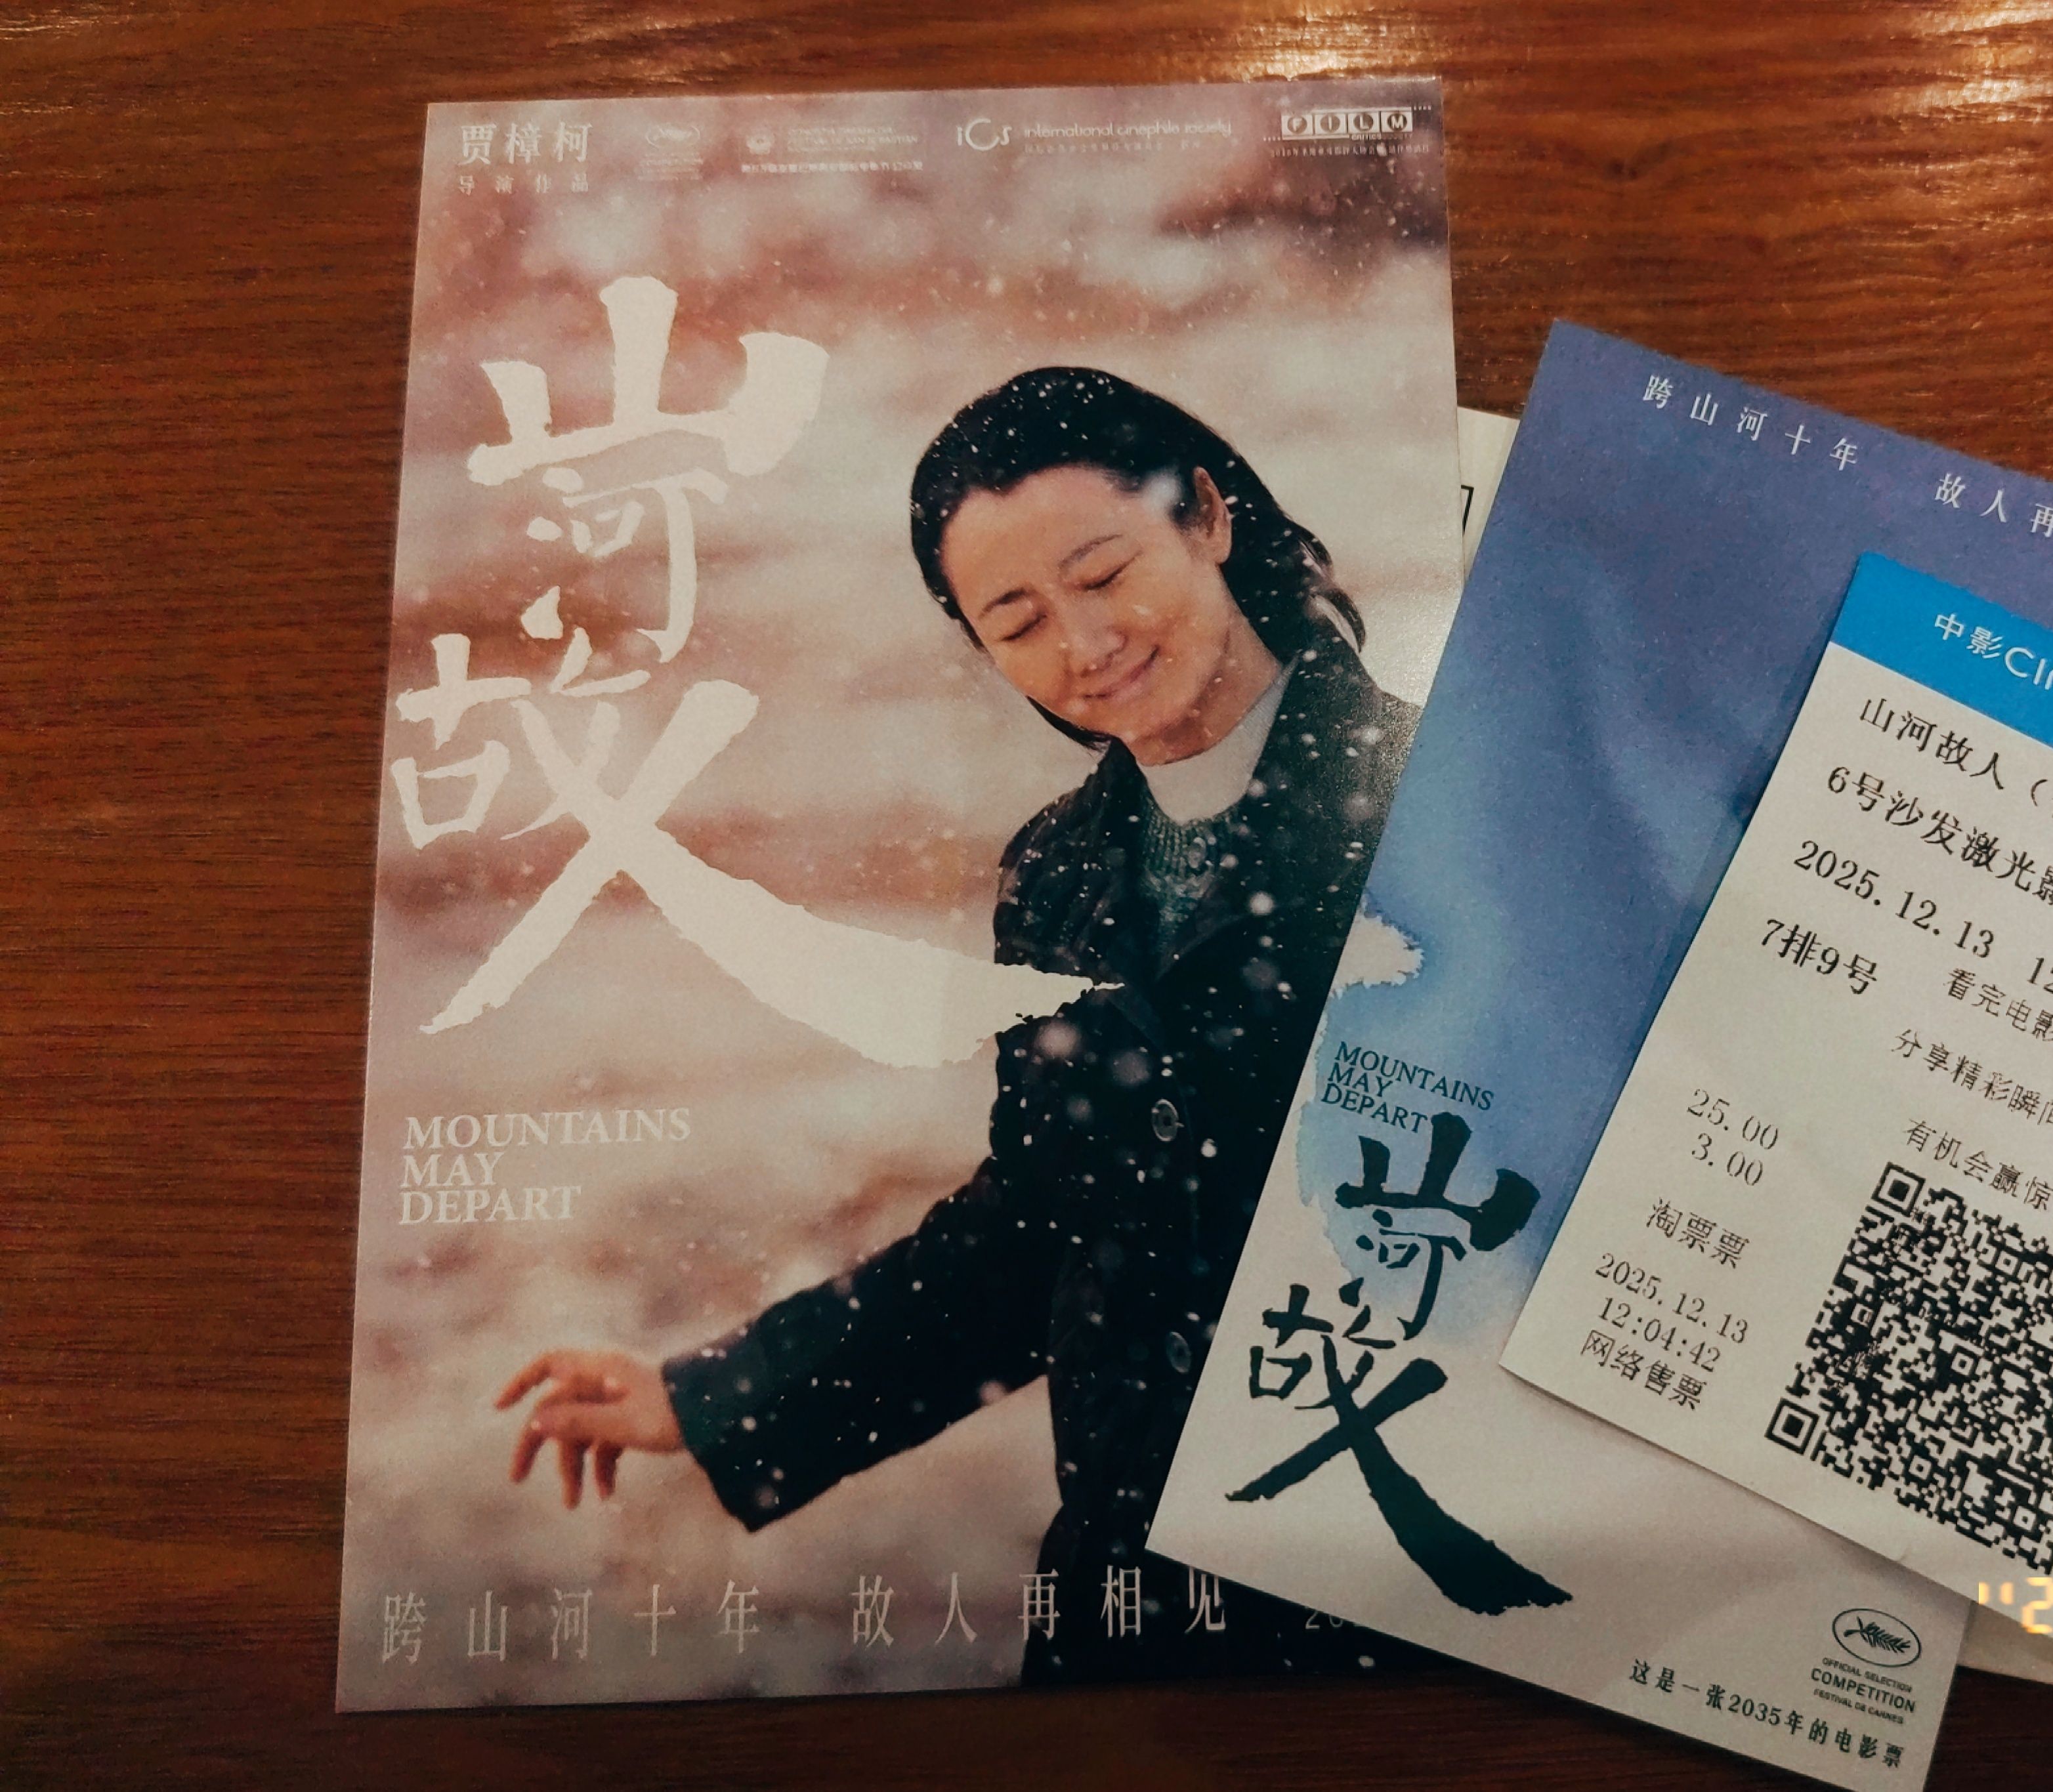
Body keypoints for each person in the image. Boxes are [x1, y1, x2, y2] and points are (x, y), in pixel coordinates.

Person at [496, 367, 1424, 1681]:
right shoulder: (1059, 870)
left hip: (1398, 1566)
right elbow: (1038, 1227)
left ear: (1209, 517)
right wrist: (713, 1396)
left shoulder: (1442, 804)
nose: (1083, 643)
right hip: (1137, 1588)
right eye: (1018, 620)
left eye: (1104, 573)